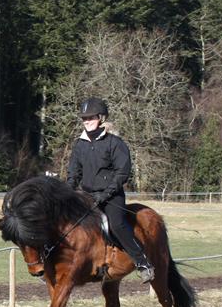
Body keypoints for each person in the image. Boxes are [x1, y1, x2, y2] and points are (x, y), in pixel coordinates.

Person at [65, 97, 155, 283]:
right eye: (84, 118)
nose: (86, 121)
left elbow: (123, 172)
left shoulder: (115, 143)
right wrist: (67, 191)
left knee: (116, 224)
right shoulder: (79, 145)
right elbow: (74, 172)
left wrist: (106, 193)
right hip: (88, 195)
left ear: (101, 117)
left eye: (90, 117)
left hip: (112, 196)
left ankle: (142, 262)